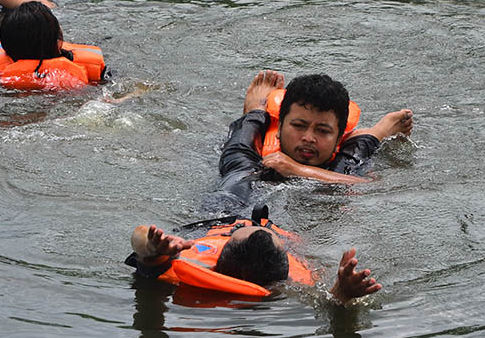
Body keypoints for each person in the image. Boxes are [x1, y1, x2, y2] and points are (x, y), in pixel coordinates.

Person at [216, 70, 413, 205]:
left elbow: (377, 188)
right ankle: (256, 111)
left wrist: (297, 170)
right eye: (298, 126)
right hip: (247, 176)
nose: (309, 138)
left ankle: (379, 132)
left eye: (322, 131)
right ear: (280, 126)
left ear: (338, 138)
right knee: (238, 157)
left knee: (351, 159)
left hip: (330, 168)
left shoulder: (342, 162)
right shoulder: (246, 160)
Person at [126, 209, 381, 304]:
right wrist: (341, 294)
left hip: (220, 206)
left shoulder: (180, 265)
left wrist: (152, 250)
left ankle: (254, 115)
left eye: (236, 232)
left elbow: (139, 240)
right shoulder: (291, 286)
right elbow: (326, 304)